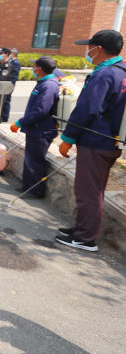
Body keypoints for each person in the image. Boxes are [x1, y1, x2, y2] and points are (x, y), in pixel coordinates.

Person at [56, 30, 126, 252]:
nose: (87, 52)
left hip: (96, 141)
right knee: (94, 189)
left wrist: (68, 137)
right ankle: (80, 228)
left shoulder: (104, 74)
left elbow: (87, 109)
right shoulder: (121, 71)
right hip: (110, 141)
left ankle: (85, 238)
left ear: (99, 49)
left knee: (88, 191)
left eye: (90, 48)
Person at [10, 56, 59, 198]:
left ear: (40, 69)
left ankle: (35, 192)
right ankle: (27, 187)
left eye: (34, 66)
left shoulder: (49, 86)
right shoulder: (44, 83)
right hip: (35, 129)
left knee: (35, 161)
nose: (33, 68)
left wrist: (20, 122)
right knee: (30, 159)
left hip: (41, 130)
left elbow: (40, 110)